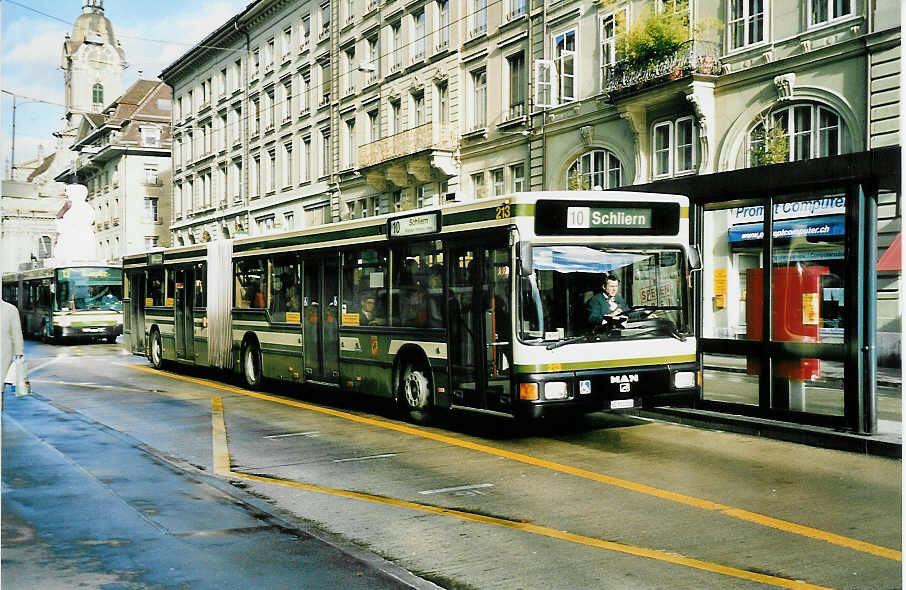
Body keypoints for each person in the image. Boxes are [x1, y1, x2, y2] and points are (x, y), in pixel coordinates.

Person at [2, 300, 26, 409]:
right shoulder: (11, 309)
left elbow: (17, 335)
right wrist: (19, 353)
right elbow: (16, 334)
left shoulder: (10, 310)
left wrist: (19, 353)